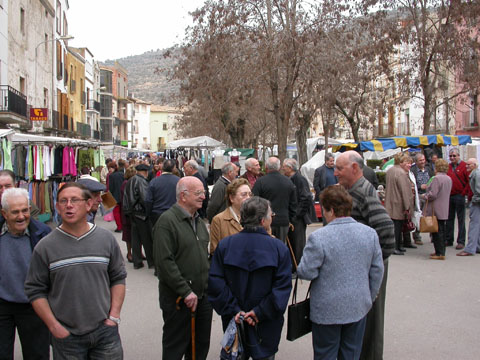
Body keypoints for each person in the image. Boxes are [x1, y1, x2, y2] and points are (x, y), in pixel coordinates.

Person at [25, 182, 127, 359]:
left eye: (74, 200)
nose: (69, 205)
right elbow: (35, 290)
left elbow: (118, 277)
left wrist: (114, 316)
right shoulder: (45, 246)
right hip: (67, 337)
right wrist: (54, 326)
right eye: (63, 201)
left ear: (88, 205)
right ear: (57, 207)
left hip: (105, 332)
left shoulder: (105, 239)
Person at [298, 185, 384, 360]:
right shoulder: (369, 234)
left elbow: (306, 272)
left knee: (325, 353)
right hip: (358, 304)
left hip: (326, 309)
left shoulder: (319, 237)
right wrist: (369, 296)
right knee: (351, 353)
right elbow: (377, 270)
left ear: (329, 210)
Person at [208, 196, 292, 360]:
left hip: (235, 319)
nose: (272, 218)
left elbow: (215, 282)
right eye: (271, 215)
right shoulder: (278, 248)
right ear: (263, 221)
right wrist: (258, 312)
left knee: (236, 354)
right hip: (266, 321)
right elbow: (282, 288)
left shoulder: (225, 245)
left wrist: (235, 311)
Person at [333, 150, 394, 360]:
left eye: (339, 168)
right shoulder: (352, 189)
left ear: (355, 168)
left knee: (371, 320)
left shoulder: (364, 192)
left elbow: (386, 231)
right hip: (360, 268)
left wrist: (372, 262)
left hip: (370, 270)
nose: (335, 173)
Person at [153, 177, 212, 360]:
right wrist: (185, 291)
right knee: (176, 345)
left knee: (200, 346)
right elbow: (164, 262)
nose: (203, 196)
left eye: (203, 192)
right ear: (183, 196)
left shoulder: (199, 221)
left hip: (202, 297)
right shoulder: (167, 222)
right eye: (198, 193)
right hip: (179, 299)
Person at [0, 188, 51, 360]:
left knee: (37, 354)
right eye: (15, 212)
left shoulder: (43, 233)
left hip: (34, 305)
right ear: (4, 213)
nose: (21, 216)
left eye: (25, 210)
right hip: (2, 304)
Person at [252, 157, 297, 243]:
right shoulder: (288, 182)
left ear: (266, 167)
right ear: (279, 167)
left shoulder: (260, 182)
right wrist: (290, 218)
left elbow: (254, 201)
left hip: (264, 221)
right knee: (280, 246)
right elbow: (293, 204)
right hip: (283, 221)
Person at [283, 158, 314, 265]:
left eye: (284, 167)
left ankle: (299, 265)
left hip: (298, 218)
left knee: (298, 243)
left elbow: (306, 198)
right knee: (292, 242)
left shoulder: (300, 179)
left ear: (290, 168)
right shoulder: (290, 179)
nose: (283, 168)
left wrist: (297, 215)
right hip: (292, 216)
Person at [209, 178, 251, 255]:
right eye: (244, 194)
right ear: (231, 198)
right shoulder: (219, 220)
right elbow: (214, 250)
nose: (248, 198)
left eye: (250, 194)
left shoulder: (254, 217)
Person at [421, 159, 453, 260]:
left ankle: (439, 253)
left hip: (436, 208)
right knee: (442, 230)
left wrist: (424, 196)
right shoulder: (448, 178)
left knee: (436, 231)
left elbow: (433, 194)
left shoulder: (436, 179)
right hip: (444, 207)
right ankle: (441, 251)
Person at [123, 163, 153, 269]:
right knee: (147, 238)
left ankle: (137, 261)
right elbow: (144, 198)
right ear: (145, 172)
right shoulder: (141, 181)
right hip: (141, 213)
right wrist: (149, 211)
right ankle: (151, 261)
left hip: (132, 213)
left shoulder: (131, 180)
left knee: (135, 238)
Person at [385, 153, 415, 255]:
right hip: (398, 203)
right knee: (397, 227)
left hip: (390, 201)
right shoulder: (401, 173)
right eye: (407, 162)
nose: (409, 164)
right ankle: (396, 246)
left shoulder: (390, 171)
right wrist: (408, 206)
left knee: (395, 226)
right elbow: (404, 191)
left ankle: (397, 246)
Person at [446, 148, 470, 250]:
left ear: (458, 156)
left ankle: (461, 241)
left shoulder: (464, 166)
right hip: (450, 196)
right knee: (449, 218)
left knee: (461, 219)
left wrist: (464, 194)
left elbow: (469, 181)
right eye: (451, 156)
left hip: (460, 195)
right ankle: (449, 239)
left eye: (454, 156)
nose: (452, 158)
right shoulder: (448, 167)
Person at [145, 159, 180, 226]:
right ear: (174, 168)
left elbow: (148, 200)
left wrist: (148, 214)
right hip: (174, 214)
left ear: (162, 168)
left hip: (157, 214)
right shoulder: (179, 181)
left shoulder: (154, 181)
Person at [410, 153, 434, 245]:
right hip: (418, 196)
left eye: (423, 160)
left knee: (430, 216)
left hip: (428, 195)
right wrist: (420, 186)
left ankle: (433, 235)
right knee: (417, 216)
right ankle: (417, 237)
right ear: (416, 162)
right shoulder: (413, 171)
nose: (423, 162)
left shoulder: (428, 169)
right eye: (420, 160)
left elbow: (432, 178)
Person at [458, 158, 480, 256]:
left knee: (474, 225)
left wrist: (473, 200)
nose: (466, 166)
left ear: (474, 165)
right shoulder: (475, 174)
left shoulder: (476, 174)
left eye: (468, 165)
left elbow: (478, 191)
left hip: (476, 203)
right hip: (476, 201)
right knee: (476, 225)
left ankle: (470, 249)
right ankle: (476, 246)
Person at [120, 166, 136, 263]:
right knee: (128, 233)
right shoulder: (126, 184)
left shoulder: (127, 183)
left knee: (133, 233)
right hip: (127, 211)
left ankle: (134, 252)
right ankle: (129, 253)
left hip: (129, 210)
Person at [108, 159, 126, 232]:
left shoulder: (111, 176)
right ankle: (123, 226)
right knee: (122, 212)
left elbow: (111, 188)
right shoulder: (122, 174)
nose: (109, 170)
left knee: (116, 213)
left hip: (115, 196)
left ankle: (119, 227)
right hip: (123, 196)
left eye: (110, 168)